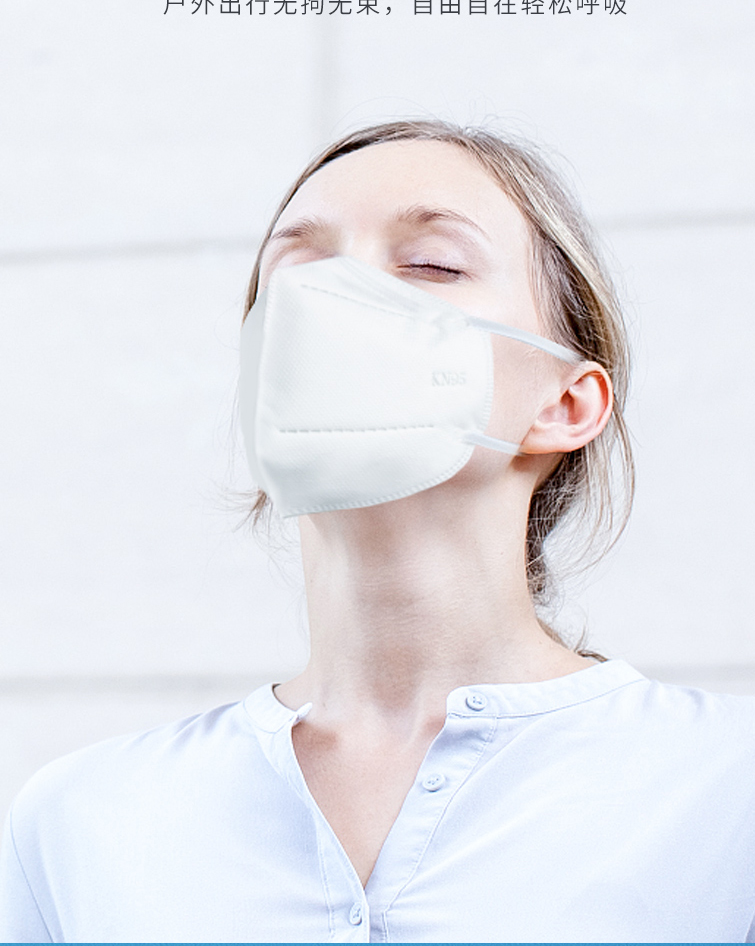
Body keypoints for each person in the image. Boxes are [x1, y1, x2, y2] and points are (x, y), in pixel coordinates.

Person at [2, 119, 755, 944]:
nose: (333, 298)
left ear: (565, 404)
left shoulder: (725, 791)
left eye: (431, 264)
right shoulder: (81, 821)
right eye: (296, 271)